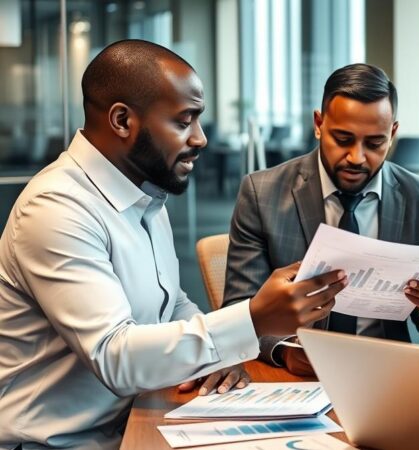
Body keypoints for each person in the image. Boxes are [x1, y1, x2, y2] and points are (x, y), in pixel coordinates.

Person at [0, 40, 348, 450]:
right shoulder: (56, 208)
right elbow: (116, 356)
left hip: (134, 420)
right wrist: (253, 319)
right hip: (61, 443)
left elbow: (172, 304)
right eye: (185, 121)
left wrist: (219, 358)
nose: (199, 138)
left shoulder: (144, 194)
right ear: (122, 120)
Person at [223, 64, 419, 376]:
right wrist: (284, 351)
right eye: (343, 138)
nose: (356, 157)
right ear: (319, 124)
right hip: (297, 375)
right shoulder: (262, 192)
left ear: (393, 133)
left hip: (387, 371)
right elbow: (239, 308)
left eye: (375, 143)